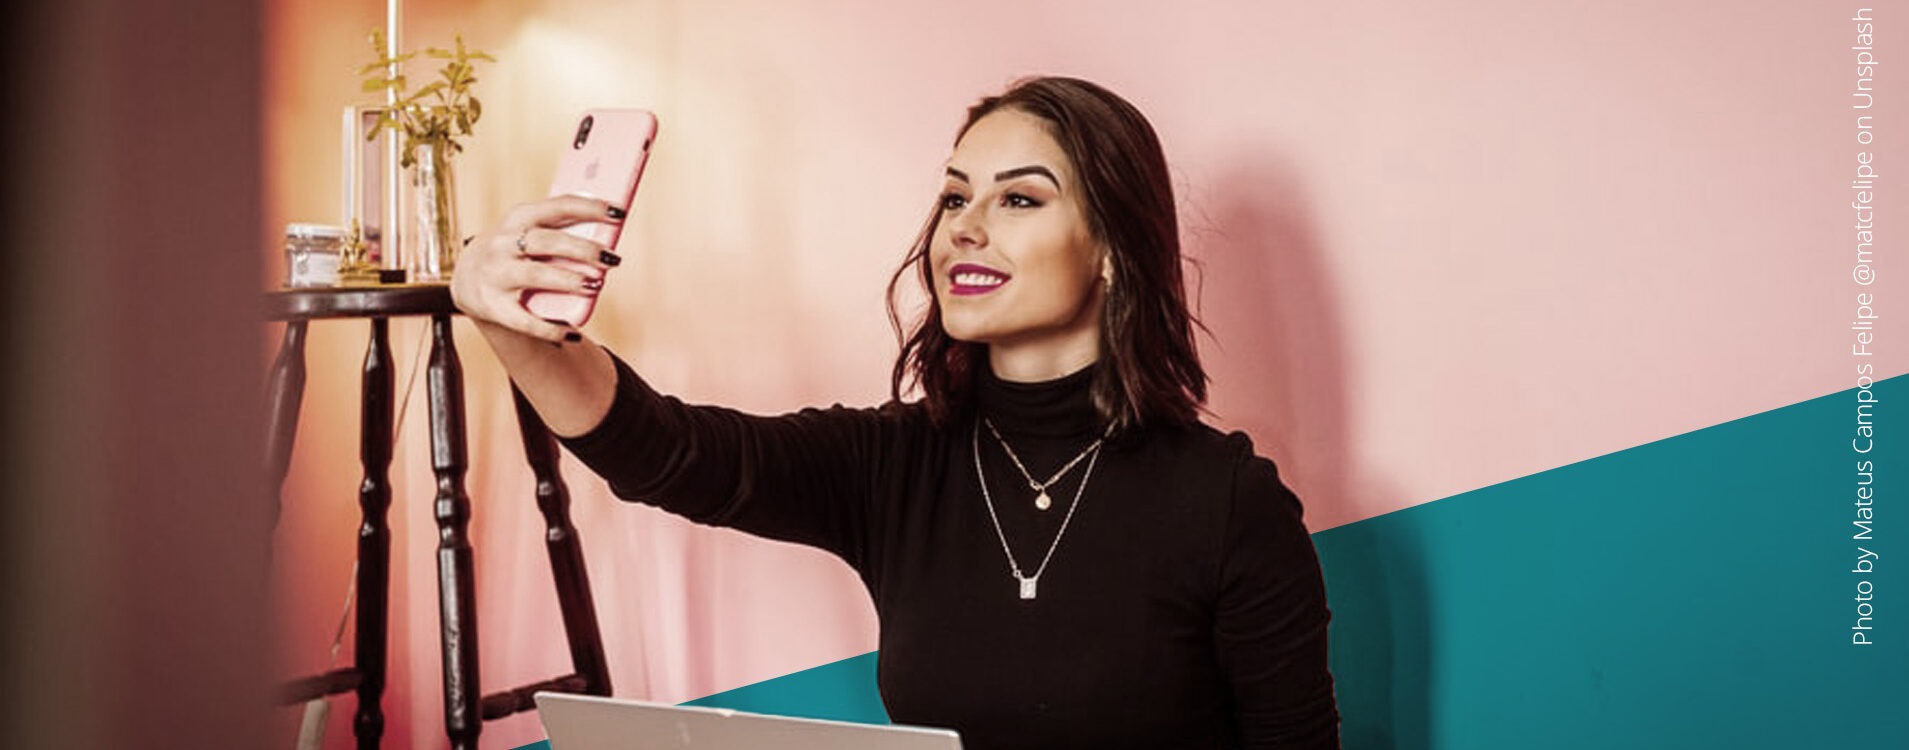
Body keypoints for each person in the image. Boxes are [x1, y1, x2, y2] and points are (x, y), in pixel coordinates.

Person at [452, 76, 1340, 749]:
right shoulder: (893, 465)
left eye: (1018, 199)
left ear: (1112, 249)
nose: (963, 226)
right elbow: (665, 453)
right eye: (955, 196)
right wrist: (509, 323)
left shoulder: (1226, 502)